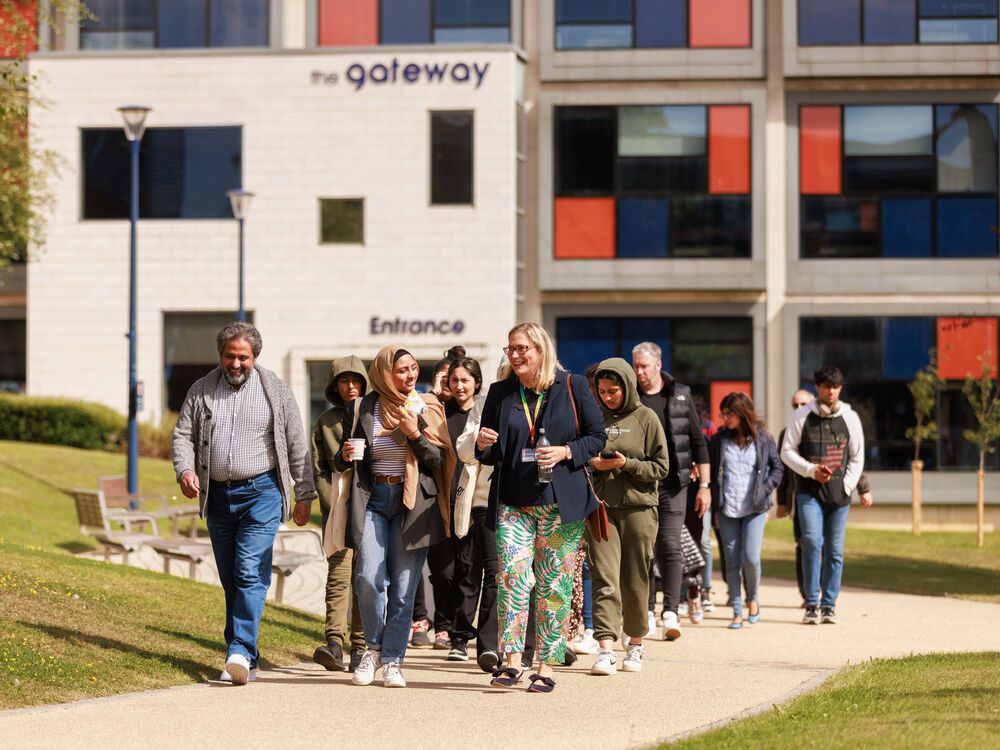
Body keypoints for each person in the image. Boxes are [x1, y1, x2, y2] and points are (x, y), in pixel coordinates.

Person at [172, 321, 315, 685]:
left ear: (256, 357)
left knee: (249, 570)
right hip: (218, 495)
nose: (235, 364)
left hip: (262, 492)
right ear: (220, 355)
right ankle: (246, 655)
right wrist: (184, 469)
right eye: (229, 357)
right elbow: (183, 435)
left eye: (243, 358)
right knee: (232, 578)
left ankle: (237, 649)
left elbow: (297, 445)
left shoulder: (276, 392)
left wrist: (305, 494)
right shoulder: (202, 389)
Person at [476, 322, 605, 693]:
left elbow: (596, 437)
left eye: (522, 349)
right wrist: (483, 443)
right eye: (510, 350)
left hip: (559, 505)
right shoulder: (500, 392)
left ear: (540, 349)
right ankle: (512, 661)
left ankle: (547, 666)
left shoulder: (572, 386)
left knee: (554, 585)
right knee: (512, 581)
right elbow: (490, 451)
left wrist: (566, 451)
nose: (515, 356)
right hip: (513, 504)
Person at [345, 346, 455, 688]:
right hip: (373, 499)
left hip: (412, 504)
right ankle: (373, 649)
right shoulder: (366, 406)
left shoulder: (425, 405)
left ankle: (392, 659)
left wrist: (414, 434)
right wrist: (344, 452)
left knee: (405, 588)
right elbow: (350, 455)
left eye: (412, 369)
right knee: (366, 577)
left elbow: (437, 459)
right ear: (383, 373)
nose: (410, 376)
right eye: (402, 370)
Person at [586, 359, 669, 676]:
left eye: (613, 391)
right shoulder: (593, 418)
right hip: (602, 509)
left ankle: (635, 644)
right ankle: (605, 648)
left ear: (628, 387)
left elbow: (661, 468)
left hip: (640, 510)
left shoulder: (647, 418)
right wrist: (596, 464)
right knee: (604, 577)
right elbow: (580, 457)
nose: (607, 397)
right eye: (602, 391)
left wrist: (626, 464)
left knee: (635, 580)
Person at [631, 342, 710, 641]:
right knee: (644, 549)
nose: (639, 372)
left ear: (658, 364)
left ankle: (671, 612)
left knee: (670, 545)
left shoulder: (679, 394)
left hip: (674, 484)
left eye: (644, 366)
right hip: (640, 483)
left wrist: (705, 486)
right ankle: (647, 611)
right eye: (635, 365)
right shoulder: (632, 397)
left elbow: (698, 442)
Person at [781, 365, 868, 625]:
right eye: (827, 386)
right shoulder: (802, 416)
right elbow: (786, 452)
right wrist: (810, 470)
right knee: (811, 542)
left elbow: (857, 455)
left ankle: (828, 605)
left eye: (836, 387)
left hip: (839, 496)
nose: (831, 391)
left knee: (835, 550)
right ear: (817, 387)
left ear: (840, 388)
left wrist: (848, 485)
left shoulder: (850, 417)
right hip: (809, 492)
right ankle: (811, 602)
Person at [310, 356, 368, 673]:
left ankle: (360, 646)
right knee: (338, 574)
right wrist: (331, 502)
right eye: (344, 380)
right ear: (335, 386)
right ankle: (334, 642)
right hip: (338, 507)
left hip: (370, 506)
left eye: (356, 380)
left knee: (364, 577)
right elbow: (318, 469)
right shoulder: (325, 422)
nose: (351, 386)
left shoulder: (375, 416)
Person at [708, 393, 783, 629]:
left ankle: (753, 598)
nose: (725, 418)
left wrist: (766, 489)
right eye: (723, 414)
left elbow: (777, 468)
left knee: (750, 557)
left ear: (742, 413)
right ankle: (737, 609)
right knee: (731, 560)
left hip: (755, 508)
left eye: (729, 413)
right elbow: (710, 472)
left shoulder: (762, 437)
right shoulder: (719, 439)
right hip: (727, 508)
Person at [426, 356, 483, 662]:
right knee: (444, 574)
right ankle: (444, 624)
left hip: (473, 504)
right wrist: (437, 390)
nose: (459, 386)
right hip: (441, 504)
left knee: (468, 574)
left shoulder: (483, 413)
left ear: (476, 382)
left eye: (465, 380)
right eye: (453, 380)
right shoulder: (439, 413)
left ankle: (459, 638)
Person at [454, 361, 505, 672]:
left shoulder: (543, 402)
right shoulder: (485, 403)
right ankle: (489, 647)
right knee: (495, 573)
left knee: (529, 576)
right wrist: (479, 441)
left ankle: (532, 646)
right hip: (486, 500)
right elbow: (464, 448)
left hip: (528, 502)